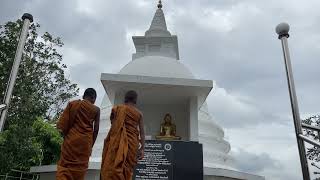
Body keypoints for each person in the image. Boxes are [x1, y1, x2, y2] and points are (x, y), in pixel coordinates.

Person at [56, 88, 100, 180]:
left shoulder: (73, 104)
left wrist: (67, 138)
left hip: (71, 140)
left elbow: (62, 126)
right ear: (93, 98)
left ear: (84, 96)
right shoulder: (96, 109)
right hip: (85, 143)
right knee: (79, 171)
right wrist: (90, 146)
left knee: (65, 168)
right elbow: (96, 130)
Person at [100, 90, 145, 180]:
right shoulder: (139, 114)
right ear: (135, 100)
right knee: (127, 169)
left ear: (125, 99)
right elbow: (142, 132)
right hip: (132, 144)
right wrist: (142, 148)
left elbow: (114, 125)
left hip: (116, 143)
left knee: (114, 165)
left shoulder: (117, 109)